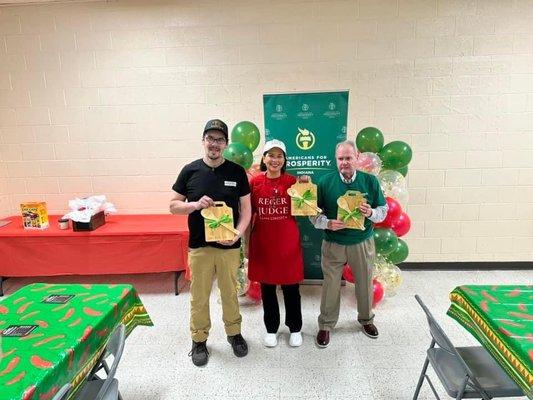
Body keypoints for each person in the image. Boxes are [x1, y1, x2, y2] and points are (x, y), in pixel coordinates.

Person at [170, 119, 252, 367]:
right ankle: (199, 340)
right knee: (199, 296)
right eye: (210, 139)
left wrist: (237, 234)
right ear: (203, 141)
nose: (214, 144)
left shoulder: (237, 172)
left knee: (230, 293)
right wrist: (194, 205)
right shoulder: (189, 171)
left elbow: (246, 210)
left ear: (226, 144)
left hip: (228, 247)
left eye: (219, 140)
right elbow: (173, 206)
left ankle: (234, 334)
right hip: (200, 247)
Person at [310, 140, 387, 347]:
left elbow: (383, 210)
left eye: (348, 158)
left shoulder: (370, 182)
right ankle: (326, 325)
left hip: (361, 242)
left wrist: (371, 212)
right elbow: (313, 214)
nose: (344, 162)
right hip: (333, 243)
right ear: (336, 160)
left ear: (357, 157)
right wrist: (327, 223)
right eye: (341, 158)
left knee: (364, 283)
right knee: (330, 286)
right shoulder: (325, 182)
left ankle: (366, 320)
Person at [246, 139, 305, 348]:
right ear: (263, 158)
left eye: (279, 156)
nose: (275, 160)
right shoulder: (254, 182)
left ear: (284, 160)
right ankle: (271, 328)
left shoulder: (292, 182)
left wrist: (306, 190)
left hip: (288, 244)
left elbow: (304, 210)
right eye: (271, 155)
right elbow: (247, 213)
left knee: (291, 289)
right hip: (263, 243)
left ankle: (295, 328)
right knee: (267, 289)